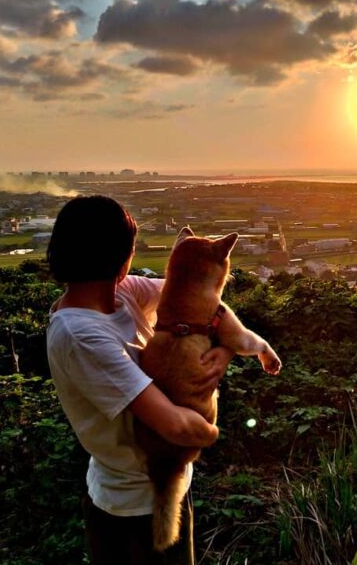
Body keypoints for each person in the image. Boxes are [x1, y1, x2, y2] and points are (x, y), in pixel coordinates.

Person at [45, 195, 235, 564]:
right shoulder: (81, 335)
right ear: (122, 253)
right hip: (133, 510)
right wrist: (212, 432)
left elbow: (199, 297)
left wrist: (225, 349)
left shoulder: (123, 294)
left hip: (169, 486)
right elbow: (179, 428)